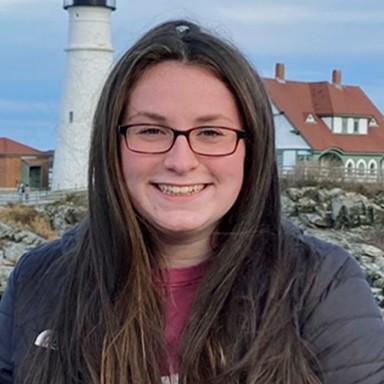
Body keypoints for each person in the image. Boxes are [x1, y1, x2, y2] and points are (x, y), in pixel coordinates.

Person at [0, 20, 383, 384]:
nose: (181, 161)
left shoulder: (320, 288)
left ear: (252, 148)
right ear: (110, 145)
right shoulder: (39, 282)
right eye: (151, 130)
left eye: (211, 132)